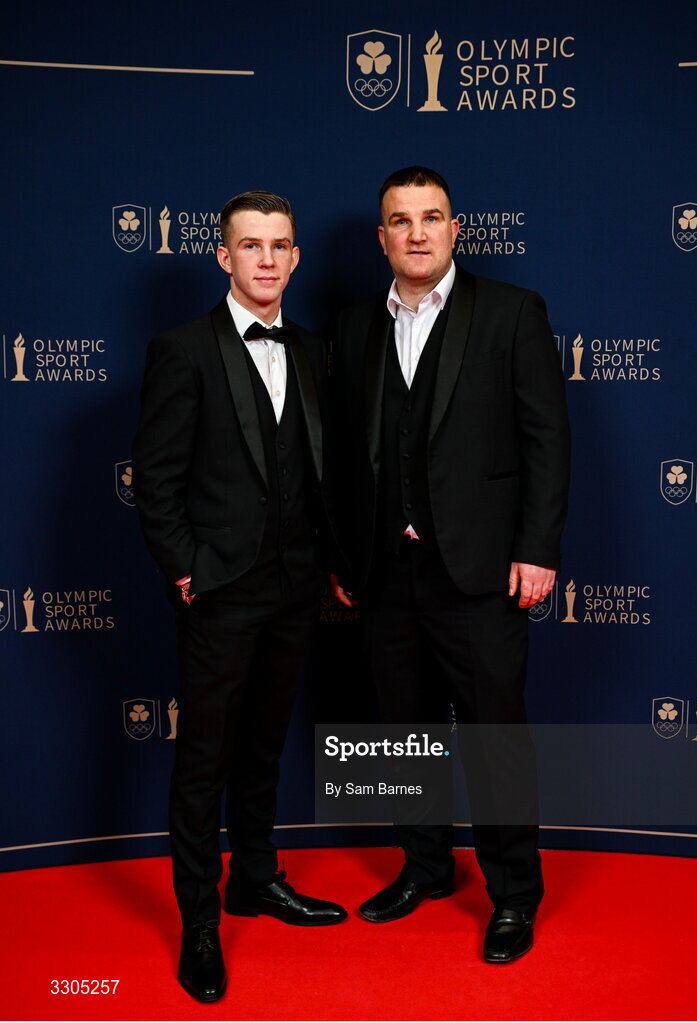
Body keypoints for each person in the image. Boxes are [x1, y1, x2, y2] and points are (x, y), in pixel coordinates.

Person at [331, 166, 570, 963]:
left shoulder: (510, 312)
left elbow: (547, 439)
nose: (418, 232)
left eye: (432, 217)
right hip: (385, 574)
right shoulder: (357, 324)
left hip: (482, 570)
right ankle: (424, 867)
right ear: (383, 237)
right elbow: (344, 455)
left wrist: (537, 547)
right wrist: (345, 555)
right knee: (403, 736)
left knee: (495, 736)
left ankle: (513, 894)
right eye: (401, 220)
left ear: (456, 227)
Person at [132, 190, 346, 1004]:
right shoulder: (182, 349)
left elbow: (317, 466)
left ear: (295, 259)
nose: (265, 258)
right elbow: (154, 477)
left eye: (279, 245)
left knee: (263, 748)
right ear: (222, 256)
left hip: (296, 589)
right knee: (204, 760)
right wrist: (187, 568)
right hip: (219, 590)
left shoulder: (316, 348)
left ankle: (256, 879)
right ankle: (197, 923)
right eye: (249, 244)